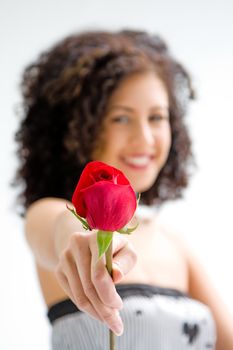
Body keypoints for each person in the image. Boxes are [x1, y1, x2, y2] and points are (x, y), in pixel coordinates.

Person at [14, 29, 233, 350]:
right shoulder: (49, 213)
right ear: (75, 128)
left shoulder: (175, 243)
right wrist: (86, 244)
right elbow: (62, 232)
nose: (145, 138)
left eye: (157, 117)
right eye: (120, 118)